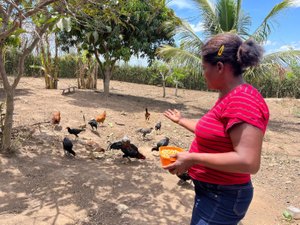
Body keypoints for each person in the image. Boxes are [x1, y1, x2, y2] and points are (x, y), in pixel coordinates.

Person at [163, 33, 269, 225]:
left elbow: (248, 162)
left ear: (219, 67)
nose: (203, 74)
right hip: (212, 191)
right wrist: (181, 120)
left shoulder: (243, 100)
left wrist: (192, 158)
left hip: (223, 196)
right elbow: (213, 132)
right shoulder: (228, 96)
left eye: (204, 68)